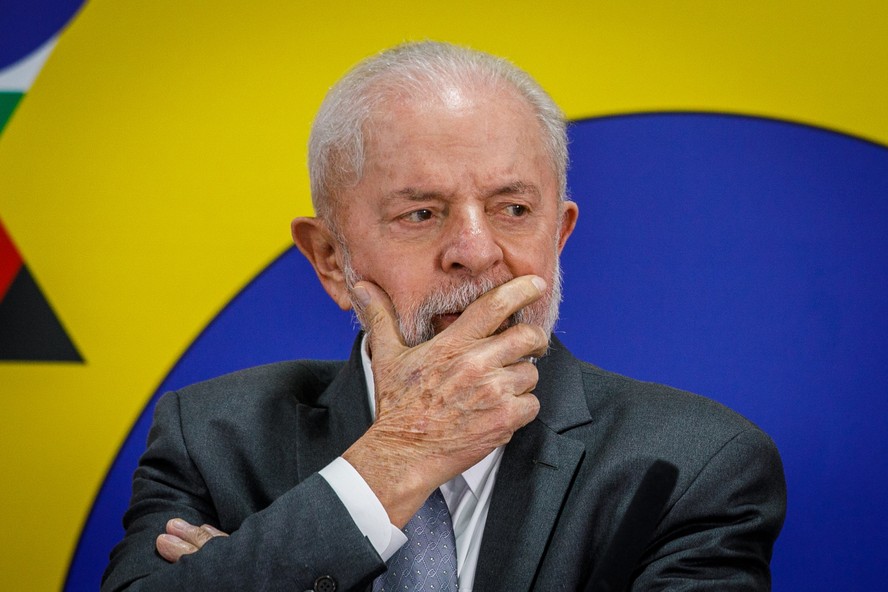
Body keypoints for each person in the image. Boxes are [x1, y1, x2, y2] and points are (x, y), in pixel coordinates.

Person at [102, 41, 786, 592]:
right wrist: (395, 459)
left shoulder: (693, 465)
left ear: (559, 237)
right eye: (421, 213)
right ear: (331, 260)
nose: (476, 251)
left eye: (513, 209)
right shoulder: (213, 437)